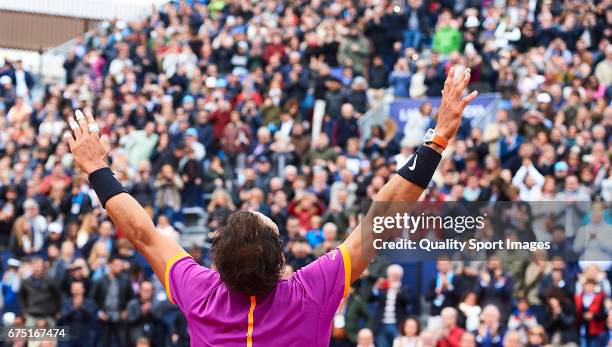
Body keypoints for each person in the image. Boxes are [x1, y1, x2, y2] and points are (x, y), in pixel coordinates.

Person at [63, 68, 477, 346]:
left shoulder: (198, 293)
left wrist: (97, 167)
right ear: (283, 261)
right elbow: (383, 215)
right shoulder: (309, 295)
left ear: (218, 265)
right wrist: (437, 139)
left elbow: (141, 233)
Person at [18, 257, 61, 327]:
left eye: (39, 265)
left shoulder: (50, 280)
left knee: (50, 336)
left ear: (42, 266)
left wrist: (57, 310)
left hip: (48, 313)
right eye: (35, 265)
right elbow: (22, 297)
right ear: (31, 266)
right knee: (30, 335)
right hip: (32, 313)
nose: (37, 267)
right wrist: (24, 311)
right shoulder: (25, 282)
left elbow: (57, 296)